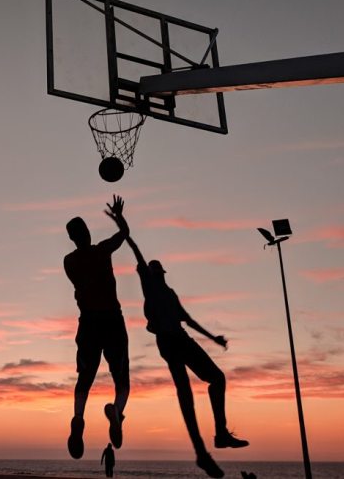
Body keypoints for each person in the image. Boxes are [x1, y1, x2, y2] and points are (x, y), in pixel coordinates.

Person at [125, 235, 248, 479]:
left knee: (218, 379)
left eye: (158, 270)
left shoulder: (170, 293)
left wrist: (214, 338)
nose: (156, 272)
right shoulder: (149, 286)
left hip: (182, 339)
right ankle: (202, 452)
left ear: (163, 273)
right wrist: (124, 228)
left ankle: (221, 434)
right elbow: (137, 252)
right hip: (168, 342)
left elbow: (189, 320)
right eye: (153, 270)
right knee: (185, 393)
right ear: (150, 273)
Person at [64, 195, 130, 459]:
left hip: (88, 321)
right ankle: (117, 412)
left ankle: (78, 418)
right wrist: (118, 217)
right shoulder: (101, 250)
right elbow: (124, 233)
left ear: (72, 239)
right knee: (122, 379)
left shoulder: (69, 261)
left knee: (85, 378)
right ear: (87, 233)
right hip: (112, 319)